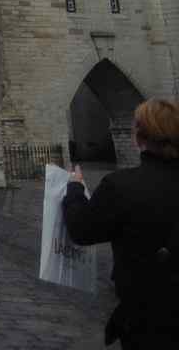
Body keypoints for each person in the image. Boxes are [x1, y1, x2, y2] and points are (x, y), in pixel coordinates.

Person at [63, 99, 179, 349]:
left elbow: (82, 229)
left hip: (148, 315)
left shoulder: (121, 186)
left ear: (139, 138)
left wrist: (74, 189)